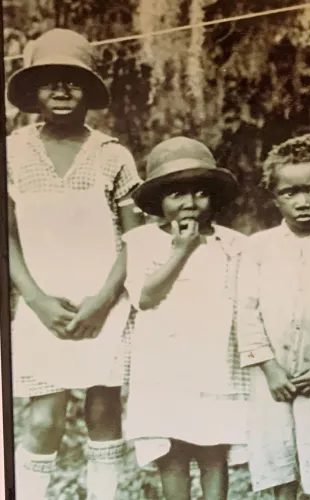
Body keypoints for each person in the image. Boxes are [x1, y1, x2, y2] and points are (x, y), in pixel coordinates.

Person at [6, 28, 143, 500]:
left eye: (74, 81)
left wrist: (102, 302)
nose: (62, 90)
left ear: (89, 89)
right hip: (42, 305)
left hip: (103, 304)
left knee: (103, 410)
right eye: (49, 81)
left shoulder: (112, 155)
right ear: (33, 91)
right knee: (43, 418)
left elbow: (135, 239)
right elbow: (6, 236)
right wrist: (36, 299)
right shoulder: (12, 152)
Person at [122, 137, 249, 500]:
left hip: (216, 366)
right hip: (164, 370)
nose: (190, 203)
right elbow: (145, 296)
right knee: (172, 452)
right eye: (177, 194)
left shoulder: (233, 244)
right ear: (159, 200)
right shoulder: (142, 240)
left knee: (213, 451)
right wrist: (180, 250)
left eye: (200, 193)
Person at [237, 134, 310, 499]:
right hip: (271, 376)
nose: (302, 202)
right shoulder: (258, 247)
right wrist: (269, 368)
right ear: (274, 197)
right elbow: (246, 312)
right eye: (290, 193)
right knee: (278, 465)